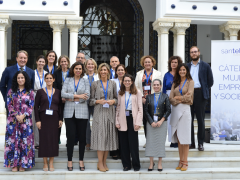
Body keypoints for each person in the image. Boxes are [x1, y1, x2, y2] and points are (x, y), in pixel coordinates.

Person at [62, 61, 90, 171]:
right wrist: (78, 96)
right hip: (69, 113)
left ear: (82, 70)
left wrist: (71, 98)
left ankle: (81, 160)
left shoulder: (85, 81)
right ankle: (69, 160)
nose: (78, 70)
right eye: (76, 68)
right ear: (73, 69)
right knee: (71, 137)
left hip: (82, 113)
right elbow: (63, 94)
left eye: (80, 69)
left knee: (82, 138)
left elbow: (87, 96)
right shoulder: (68, 80)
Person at [4, 71, 35, 172]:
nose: (20, 80)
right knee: (13, 142)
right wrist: (17, 115)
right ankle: (14, 164)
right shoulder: (11, 91)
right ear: (16, 79)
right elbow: (9, 105)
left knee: (24, 142)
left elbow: (31, 106)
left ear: (25, 79)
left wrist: (23, 115)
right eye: (18, 78)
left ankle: (23, 164)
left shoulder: (30, 92)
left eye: (22, 78)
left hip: (26, 121)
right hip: (13, 121)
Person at [90, 63, 118, 172]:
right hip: (99, 111)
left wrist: (113, 101)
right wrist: (98, 101)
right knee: (100, 138)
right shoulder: (95, 84)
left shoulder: (113, 83)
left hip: (110, 112)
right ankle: (100, 162)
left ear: (108, 72)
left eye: (105, 70)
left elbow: (117, 99)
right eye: (101, 70)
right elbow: (90, 101)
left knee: (107, 138)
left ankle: (104, 162)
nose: (103, 72)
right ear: (99, 71)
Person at [34, 73, 63, 171]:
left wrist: (60, 119)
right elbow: (35, 107)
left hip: (54, 119)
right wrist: (37, 120)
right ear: (45, 80)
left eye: (51, 78)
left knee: (53, 140)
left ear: (54, 79)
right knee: (44, 140)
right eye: (47, 78)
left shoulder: (58, 92)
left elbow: (60, 107)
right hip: (43, 119)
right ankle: (45, 163)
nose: (49, 79)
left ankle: (51, 163)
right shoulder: (40, 92)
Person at [187, 46, 214, 151]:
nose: (194, 53)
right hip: (189, 94)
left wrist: (204, 89)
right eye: (192, 52)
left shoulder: (205, 66)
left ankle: (200, 143)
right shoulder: (187, 66)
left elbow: (210, 81)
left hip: (200, 94)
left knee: (200, 120)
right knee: (189, 120)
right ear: (190, 54)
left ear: (199, 52)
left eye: (195, 52)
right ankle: (191, 143)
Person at [169, 63, 194, 171]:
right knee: (179, 138)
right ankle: (180, 161)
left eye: (184, 70)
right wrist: (180, 98)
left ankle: (185, 162)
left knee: (185, 138)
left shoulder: (190, 82)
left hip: (185, 111)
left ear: (186, 71)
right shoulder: (175, 83)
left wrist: (178, 97)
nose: (182, 71)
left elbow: (189, 97)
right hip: (175, 110)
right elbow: (170, 98)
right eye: (180, 70)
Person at [115, 74, 142, 171]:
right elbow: (117, 108)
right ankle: (126, 165)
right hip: (122, 118)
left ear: (132, 82)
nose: (127, 82)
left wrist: (138, 122)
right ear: (123, 82)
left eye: (129, 81)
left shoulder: (137, 92)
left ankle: (136, 165)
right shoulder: (120, 93)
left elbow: (140, 109)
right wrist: (117, 121)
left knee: (133, 143)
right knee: (124, 144)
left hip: (132, 118)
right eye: (125, 81)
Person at [144, 79, 171, 171]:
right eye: (154, 85)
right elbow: (146, 111)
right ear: (152, 86)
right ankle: (151, 163)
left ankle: (160, 163)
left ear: (160, 86)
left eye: (157, 85)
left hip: (162, 123)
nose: (156, 86)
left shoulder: (165, 96)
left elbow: (168, 110)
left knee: (160, 142)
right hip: (150, 123)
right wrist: (151, 121)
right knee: (150, 142)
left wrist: (161, 121)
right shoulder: (148, 97)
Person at [135, 55, 161, 147]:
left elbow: (159, 87)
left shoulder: (158, 73)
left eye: (149, 62)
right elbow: (136, 87)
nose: (147, 63)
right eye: (145, 62)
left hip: (154, 101)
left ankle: (155, 140)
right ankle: (148, 141)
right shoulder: (139, 74)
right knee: (146, 122)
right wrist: (141, 97)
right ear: (143, 64)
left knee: (154, 121)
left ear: (152, 63)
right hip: (143, 101)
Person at [162, 56, 183, 148]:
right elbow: (163, 89)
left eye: (176, 62)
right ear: (170, 64)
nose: (174, 64)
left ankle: (179, 139)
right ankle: (173, 141)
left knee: (179, 119)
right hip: (168, 97)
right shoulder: (166, 75)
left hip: (179, 98)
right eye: (172, 62)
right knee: (171, 120)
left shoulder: (181, 74)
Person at [110, 64, 127, 160]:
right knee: (114, 131)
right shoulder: (112, 81)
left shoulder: (128, 81)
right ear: (116, 72)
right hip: (114, 108)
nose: (120, 71)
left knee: (122, 130)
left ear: (125, 71)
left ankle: (122, 151)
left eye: (122, 70)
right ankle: (114, 151)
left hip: (125, 109)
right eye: (119, 70)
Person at [54, 55, 71, 144]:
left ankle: (70, 140)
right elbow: (55, 86)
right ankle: (57, 139)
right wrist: (61, 96)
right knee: (58, 119)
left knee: (69, 121)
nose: (64, 63)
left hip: (70, 100)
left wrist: (68, 96)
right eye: (62, 61)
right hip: (59, 99)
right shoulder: (56, 72)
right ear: (59, 63)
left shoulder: (72, 72)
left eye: (65, 61)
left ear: (68, 62)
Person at [83, 58, 99, 150]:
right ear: (85, 66)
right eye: (88, 64)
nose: (90, 66)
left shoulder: (98, 76)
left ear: (95, 66)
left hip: (96, 102)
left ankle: (96, 141)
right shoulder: (83, 77)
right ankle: (88, 141)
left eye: (92, 64)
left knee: (97, 122)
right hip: (85, 102)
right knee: (86, 123)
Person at [32, 55, 48, 149]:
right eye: (39, 61)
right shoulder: (32, 73)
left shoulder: (47, 74)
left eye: (43, 62)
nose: (41, 63)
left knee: (44, 118)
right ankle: (36, 142)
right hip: (34, 95)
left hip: (44, 95)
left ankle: (43, 141)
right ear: (36, 62)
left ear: (44, 63)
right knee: (35, 118)